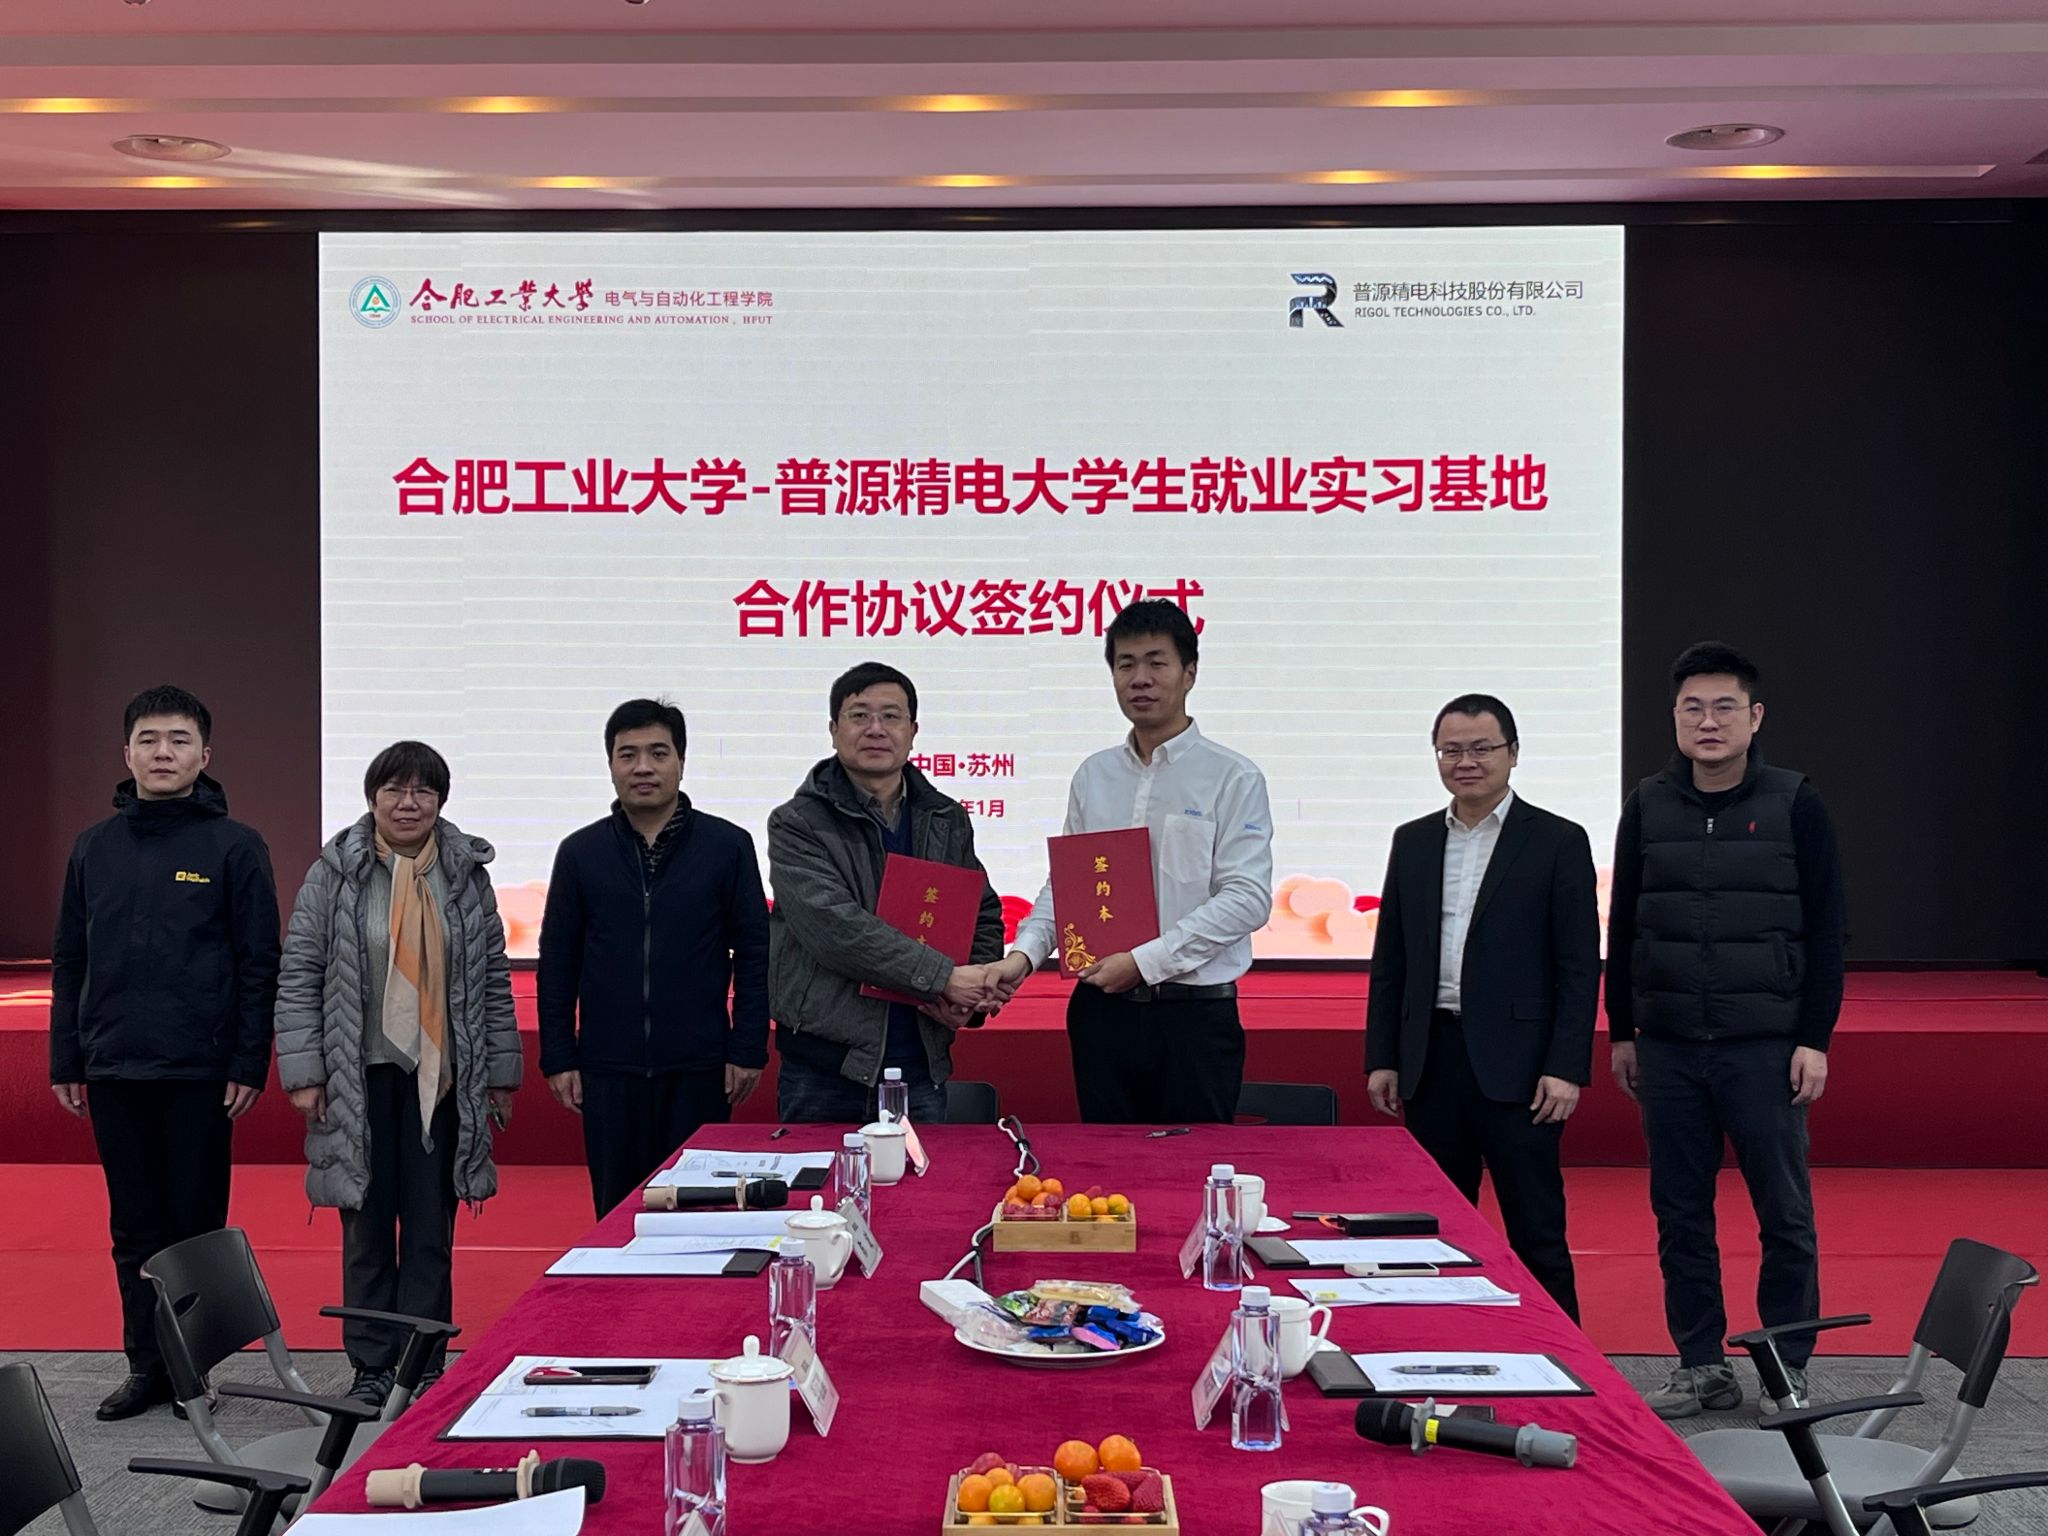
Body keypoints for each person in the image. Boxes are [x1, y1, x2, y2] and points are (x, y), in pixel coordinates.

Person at [1607, 643, 1847, 1419]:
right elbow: (1625, 923)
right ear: (1675, 717)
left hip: (1764, 1047)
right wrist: (1622, 1030)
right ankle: (1700, 1365)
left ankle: (1786, 1369)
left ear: (1755, 716)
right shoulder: (1648, 803)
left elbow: (1828, 928)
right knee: (1680, 1214)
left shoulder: (1794, 801)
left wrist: (1814, 1037)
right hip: (1670, 1045)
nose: (1708, 722)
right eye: (1693, 708)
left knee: (1784, 1213)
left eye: (1724, 707)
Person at [49, 685, 280, 1421]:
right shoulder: (94, 847)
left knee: (195, 1230)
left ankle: (195, 1374)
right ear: (127, 753)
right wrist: (66, 1057)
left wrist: (247, 1061)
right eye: (148, 740)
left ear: (204, 755)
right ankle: (146, 1367)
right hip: (115, 1065)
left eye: (179, 740)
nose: (162, 753)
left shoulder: (235, 846)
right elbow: (71, 959)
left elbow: (259, 964)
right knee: (133, 1230)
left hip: (199, 1072)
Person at [275, 741, 522, 1408]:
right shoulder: (335, 873)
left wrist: (500, 1070)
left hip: (441, 1080)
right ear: (372, 797)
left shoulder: (465, 875)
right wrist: (303, 1069)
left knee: (430, 1227)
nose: (408, 803)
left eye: (423, 791)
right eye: (394, 789)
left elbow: (493, 979)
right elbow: (300, 973)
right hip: (357, 1077)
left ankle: (424, 1362)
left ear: (440, 800)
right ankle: (372, 1365)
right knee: (365, 1224)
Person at [992, 599, 1274, 1123]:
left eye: (1156, 662)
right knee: (1105, 1166)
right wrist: (1023, 957)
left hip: (1194, 1016)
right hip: (1102, 1014)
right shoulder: (1094, 775)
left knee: (1192, 1163)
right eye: (1125, 664)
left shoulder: (1232, 777)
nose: (1139, 678)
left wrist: (1144, 963)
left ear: (1189, 673)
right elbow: (1068, 887)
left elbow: (1247, 899)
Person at [1363, 695, 1599, 1320]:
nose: (1465, 762)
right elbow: (1391, 960)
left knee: (1536, 1230)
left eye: (1481, 748)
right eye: (1451, 750)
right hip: (1432, 1058)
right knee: (1432, 1229)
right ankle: (1438, 1341)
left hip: (1522, 1068)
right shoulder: (1413, 841)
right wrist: (1383, 1055)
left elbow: (1579, 967)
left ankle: (1562, 1355)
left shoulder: (1556, 840)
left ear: (1512, 754)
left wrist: (1566, 1067)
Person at [539, 699, 770, 1215]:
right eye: (628, 755)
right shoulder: (580, 853)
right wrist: (559, 1056)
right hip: (608, 1069)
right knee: (619, 1214)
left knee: (698, 1214)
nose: (643, 767)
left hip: (700, 1069)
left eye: (658, 753)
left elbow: (755, 953)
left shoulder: (727, 846)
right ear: (611, 765)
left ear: (681, 762)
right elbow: (558, 961)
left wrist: (748, 1047)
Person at [767, 662, 1005, 1124]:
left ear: (913, 732)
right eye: (859, 715)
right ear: (834, 730)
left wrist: (969, 997)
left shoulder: (945, 818)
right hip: (826, 1070)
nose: (876, 729)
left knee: (922, 1176)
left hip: (919, 1059)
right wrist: (943, 978)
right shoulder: (797, 823)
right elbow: (835, 930)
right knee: (826, 1176)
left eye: (891, 716)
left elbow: (982, 911)